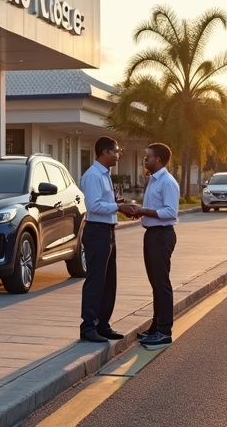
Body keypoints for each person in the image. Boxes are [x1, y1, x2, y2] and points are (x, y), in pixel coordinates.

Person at [78, 136, 139, 343]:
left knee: (108, 281)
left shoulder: (105, 174)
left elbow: (106, 202)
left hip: (108, 231)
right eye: (115, 151)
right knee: (95, 280)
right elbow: (94, 206)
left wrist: (119, 205)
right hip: (96, 232)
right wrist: (118, 207)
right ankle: (88, 326)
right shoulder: (93, 176)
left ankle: (102, 324)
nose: (118, 154)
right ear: (104, 152)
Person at [127, 143, 179, 350]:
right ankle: (156, 326)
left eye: (147, 157)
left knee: (162, 284)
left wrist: (144, 211)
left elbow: (170, 212)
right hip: (152, 234)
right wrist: (139, 211)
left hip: (162, 235)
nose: (144, 160)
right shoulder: (153, 180)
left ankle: (164, 332)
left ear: (157, 159)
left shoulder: (167, 182)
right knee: (155, 284)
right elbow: (155, 209)